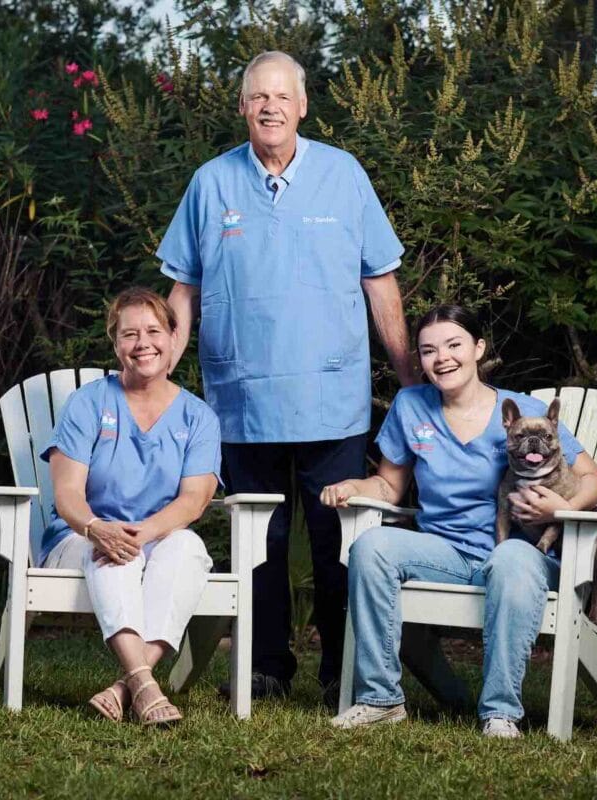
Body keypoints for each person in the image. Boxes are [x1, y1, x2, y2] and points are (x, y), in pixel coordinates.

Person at [157, 50, 418, 703]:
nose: (269, 106)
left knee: (338, 544)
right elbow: (182, 289)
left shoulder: (343, 174)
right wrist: (163, 368)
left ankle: (341, 671)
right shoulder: (211, 183)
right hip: (240, 397)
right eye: (257, 97)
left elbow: (380, 282)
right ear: (242, 107)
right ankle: (266, 668)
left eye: (281, 96)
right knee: (258, 546)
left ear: (302, 106)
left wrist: (409, 373)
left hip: (333, 396)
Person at [321, 304, 597, 738]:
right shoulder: (411, 405)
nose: (443, 358)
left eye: (454, 345)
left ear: (478, 348)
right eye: (429, 350)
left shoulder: (524, 412)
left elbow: (594, 479)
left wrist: (557, 510)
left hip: (522, 552)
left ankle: (499, 713)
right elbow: (388, 487)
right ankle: (380, 699)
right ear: (419, 359)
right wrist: (353, 488)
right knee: (371, 547)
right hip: (446, 551)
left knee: (511, 557)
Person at [40, 288, 222, 725]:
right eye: (130, 334)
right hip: (80, 538)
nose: (143, 343)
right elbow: (67, 494)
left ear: (174, 338)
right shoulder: (88, 402)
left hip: (158, 536)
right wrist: (96, 528)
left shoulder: (198, 417)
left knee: (190, 550)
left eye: (155, 331)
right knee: (115, 551)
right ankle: (146, 686)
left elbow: (195, 499)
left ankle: (127, 686)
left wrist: (144, 532)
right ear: (115, 342)